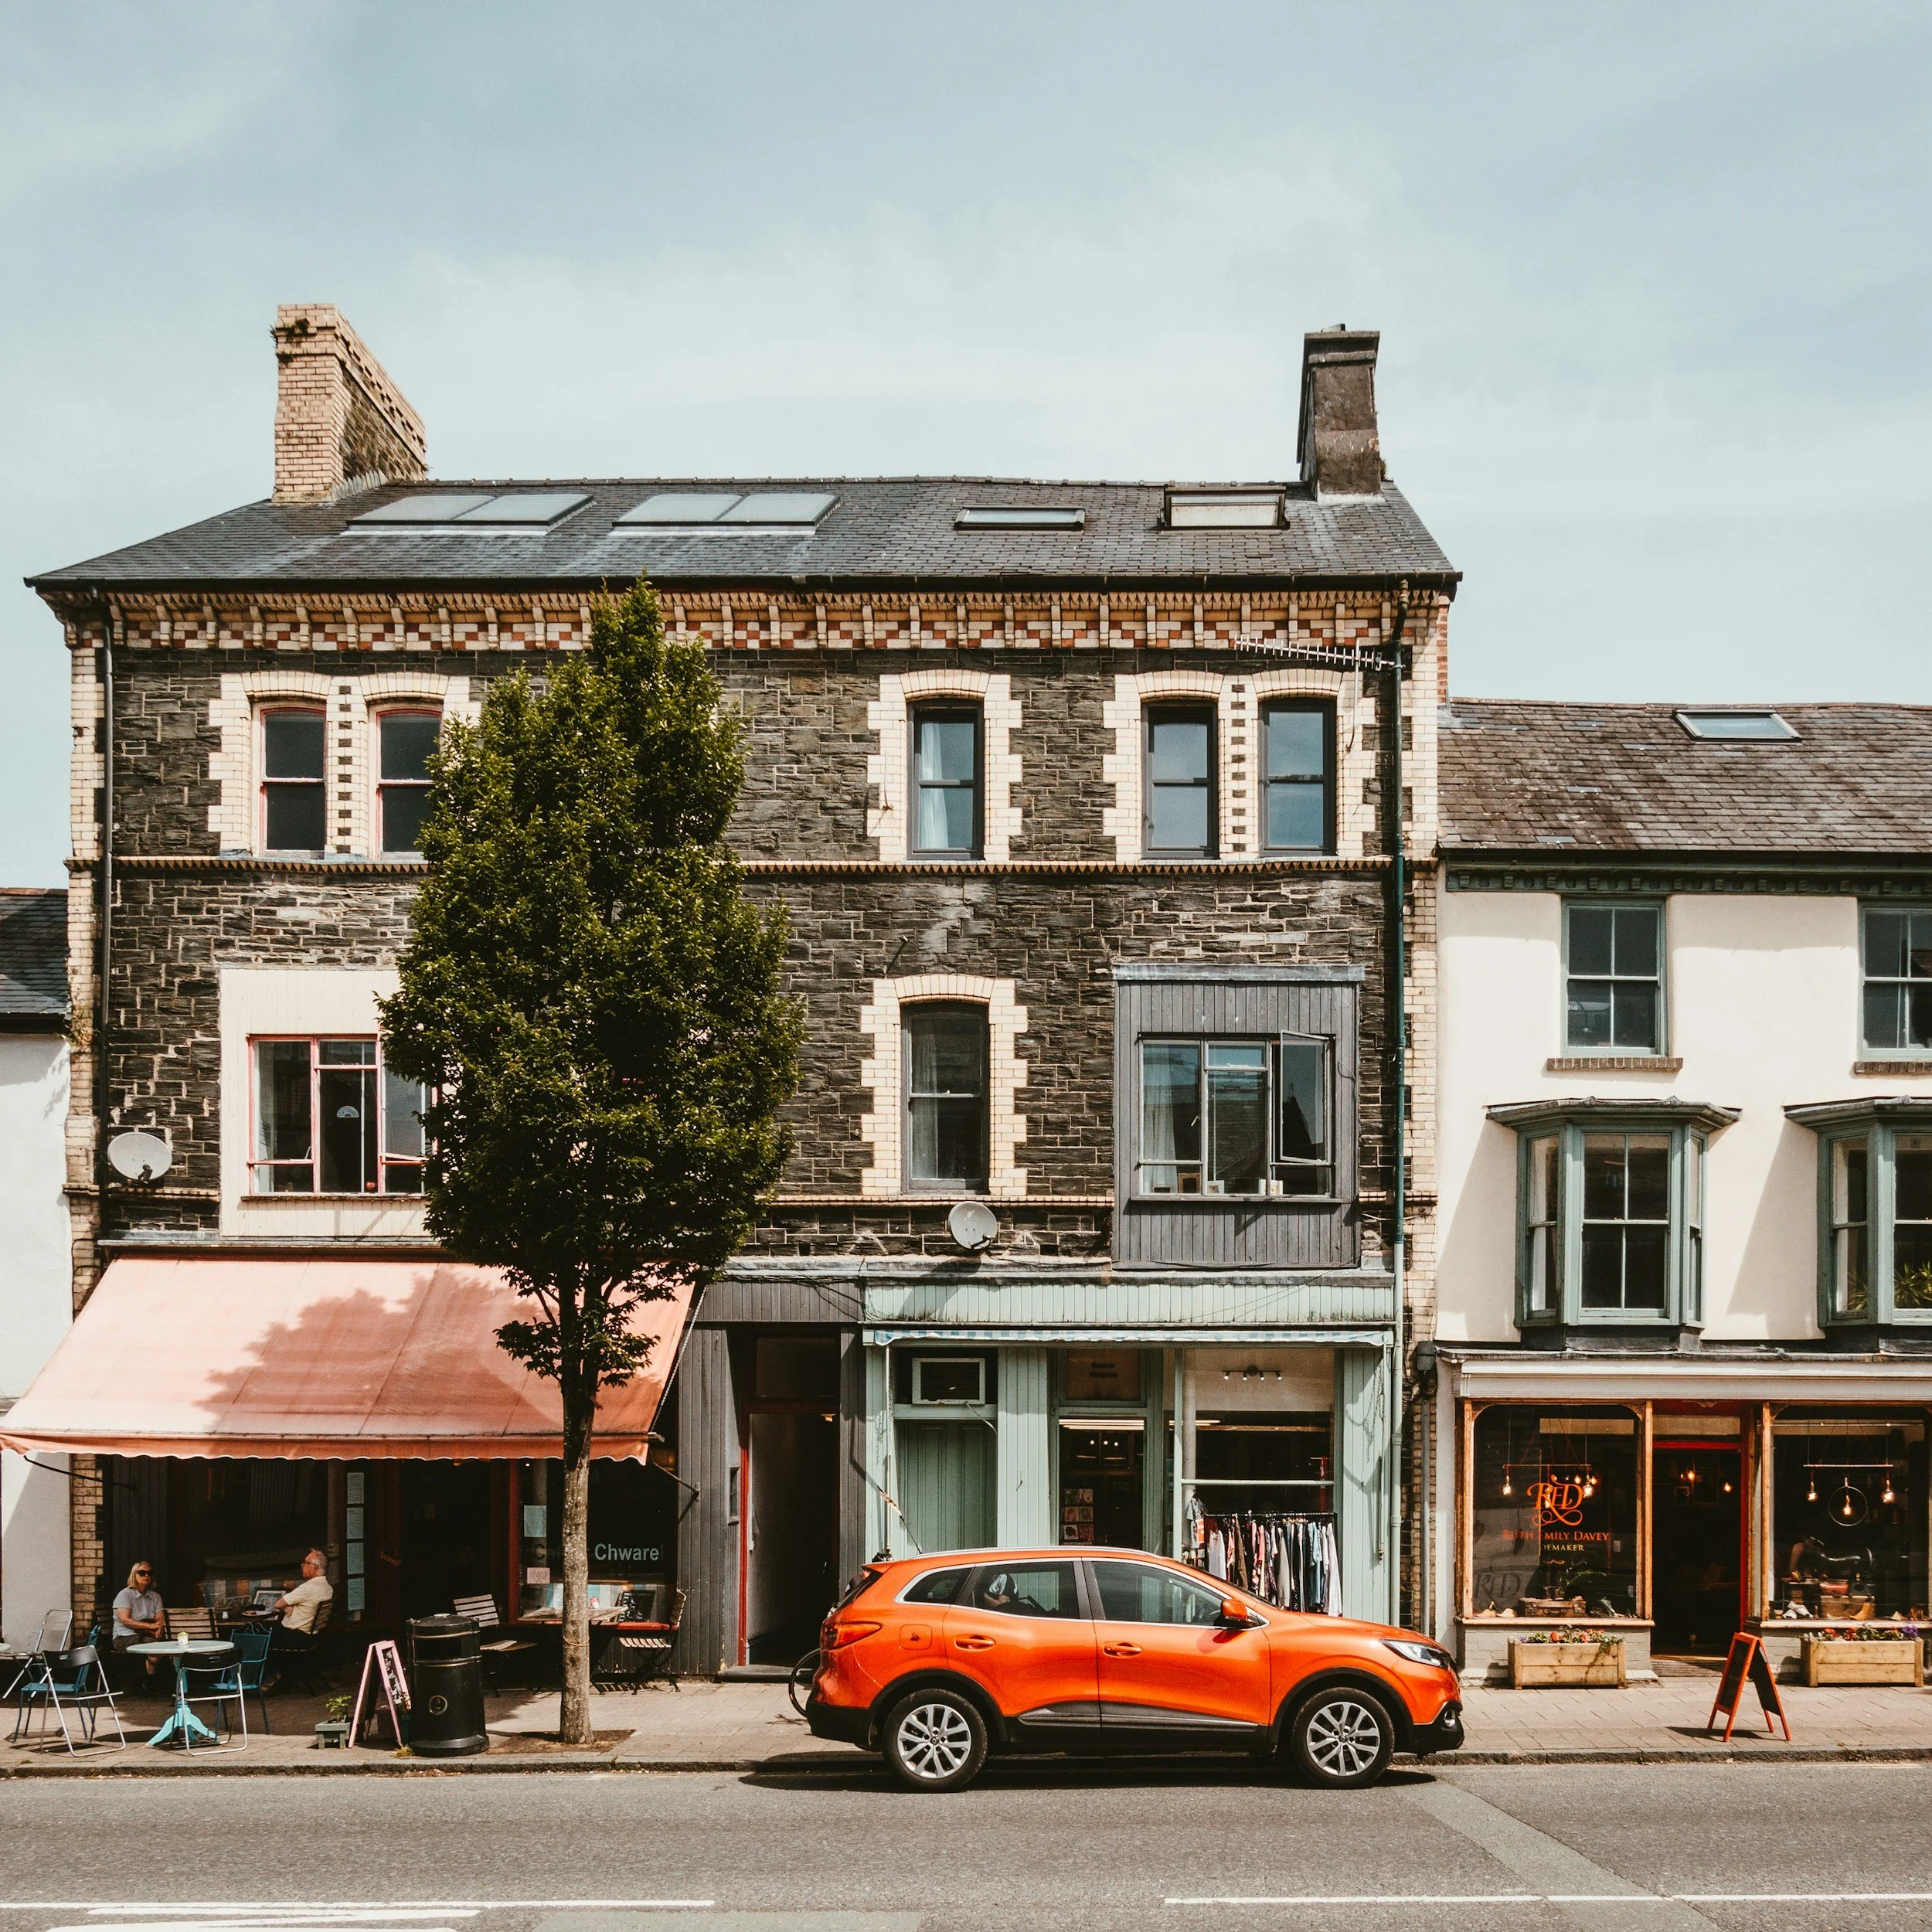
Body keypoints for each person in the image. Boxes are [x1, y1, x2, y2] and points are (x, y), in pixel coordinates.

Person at [268, 1548, 335, 1657]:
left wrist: (286, 1607)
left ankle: (263, 1671)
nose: (302, 1565)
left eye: (306, 1562)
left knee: (256, 1633)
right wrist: (288, 1607)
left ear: (314, 1567)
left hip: (294, 1637)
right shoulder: (327, 1587)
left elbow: (278, 1604)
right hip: (313, 1636)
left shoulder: (308, 1588)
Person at [111, 1562, 167, 1675]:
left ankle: (153, 1681)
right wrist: (151, 1626)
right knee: (156, 1647)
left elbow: (160, 1618)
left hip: (148, 1634)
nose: (147, 1576)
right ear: (134, 1575)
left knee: (171, 1644)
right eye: (142, 1573)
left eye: (149, 1573)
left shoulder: (155, 1596)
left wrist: (160, 1627)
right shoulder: (125, 1595)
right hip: (124, 1637)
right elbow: (125, 1620)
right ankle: (150, 1681)